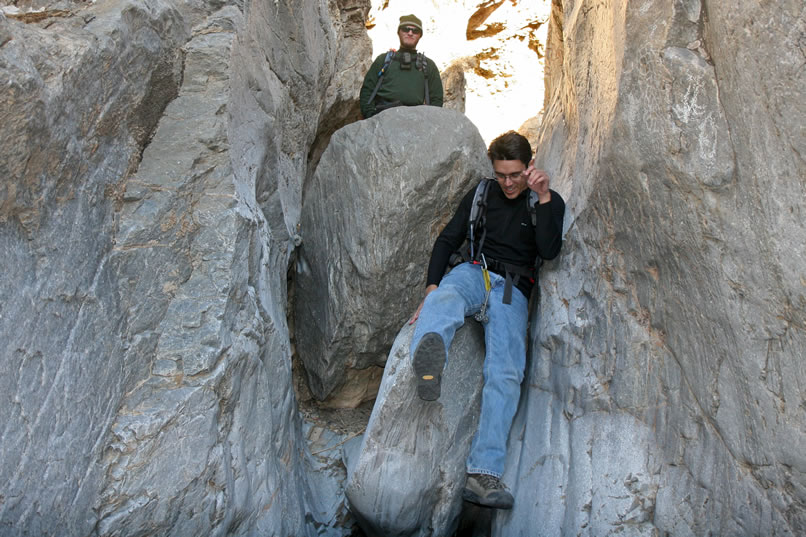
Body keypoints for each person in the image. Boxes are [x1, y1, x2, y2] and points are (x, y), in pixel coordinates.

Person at [408, 131, 565, 510]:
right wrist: (430, 286)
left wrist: (543, 198)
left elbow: (549, 250)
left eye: (515, 175)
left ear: (528, 167)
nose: (508, 183)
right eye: (501, 175)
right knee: (444, 298)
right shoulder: (481, 193)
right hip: (475, 271)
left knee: (506, 371)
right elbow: (448, 239)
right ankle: (428, 362)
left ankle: (483, 475)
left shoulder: (546, 201)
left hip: (512, 288)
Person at [359, 14, 444, 118]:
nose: (410, 33)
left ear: (420, 35)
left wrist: (428, 120)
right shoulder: (383, 60)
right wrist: (371, 116)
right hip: (382, 117)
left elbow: (437, 99)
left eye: (415, 31)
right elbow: (367, 90)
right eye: (405, 29)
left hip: (415, 120)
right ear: (398, 32)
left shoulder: (428, 66)